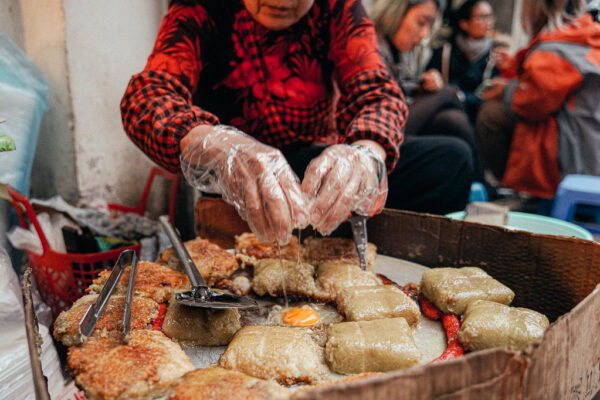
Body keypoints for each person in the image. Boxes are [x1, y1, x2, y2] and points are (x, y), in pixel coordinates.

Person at [121, 0, 474, 245]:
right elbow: (147, 98)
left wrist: (365, 154)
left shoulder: (337, 8)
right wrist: (214, 143)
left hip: (317, 164)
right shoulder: (201, 8)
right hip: (242, 180)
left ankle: (345, 248)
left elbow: (377, 92)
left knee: (453, 158)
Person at [475, 0, 600, 199]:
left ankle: (511, 190)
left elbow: (528, 104)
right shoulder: (584, 35)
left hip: (570, 154)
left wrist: (506, 90)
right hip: (589, 144)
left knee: (490, 115)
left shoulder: (555, 49)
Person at [370, 0, 485, 189]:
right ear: (395, 12)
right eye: (421, 22)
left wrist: (420, 84)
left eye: (429, 26)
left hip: (399, 115)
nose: (424, 35)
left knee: (451, 119)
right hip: (378, 128)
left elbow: (401, 86)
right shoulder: (369, 44)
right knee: (449, 93)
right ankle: (481, 184)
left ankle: (477, 185)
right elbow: (383, 94)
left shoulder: (403, 51)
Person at [427, 0, 498, 122]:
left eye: (490, 17)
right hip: (444, 114)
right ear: (464, 24)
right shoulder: (445, 51)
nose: (489, 23)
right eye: (482, 17)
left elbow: (492, 93)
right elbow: (430, 81)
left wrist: (463, 97)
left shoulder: (496, 56)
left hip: (477, 118)